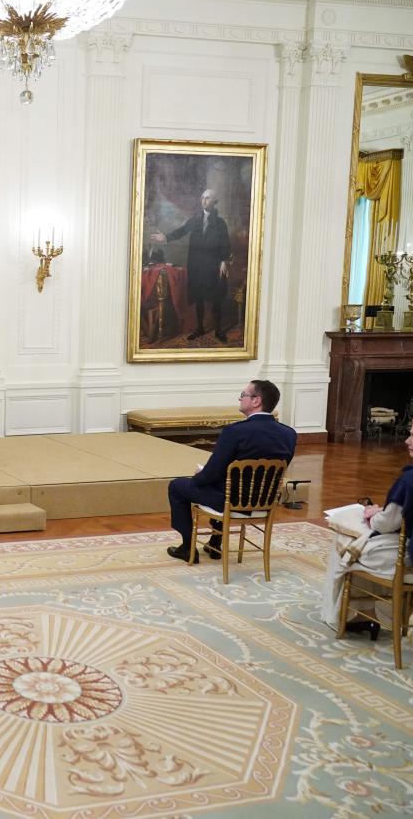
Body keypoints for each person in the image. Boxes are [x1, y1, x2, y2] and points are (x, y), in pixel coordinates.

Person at [321, 411, 413, 633]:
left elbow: (385, 524)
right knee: (363, 542)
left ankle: (346, 617)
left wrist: (374, 513)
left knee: (346, 540)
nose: (407, 441)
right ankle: (380, 613)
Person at [166, 380, 297, 563]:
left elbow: (212, 472)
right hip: (264, 502)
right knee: (224, 482)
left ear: (256, 401)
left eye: (243, 395)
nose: (239, 398)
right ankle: (215, 542)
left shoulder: (235, 432)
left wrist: (197, 477)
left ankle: (187, 548)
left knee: (177, 486)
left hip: (230, 500)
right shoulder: (289, 434)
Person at [150, 188, 231, 342]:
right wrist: (166, 237)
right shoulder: (195, 219)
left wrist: (224, 261)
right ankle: (200, 328)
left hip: (212, 266)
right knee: (198, 297)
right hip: (196, 265)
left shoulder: (220, 223)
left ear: (215, 202)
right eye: (202, 198)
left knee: (216, 299)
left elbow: (225, 244)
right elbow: (182, 231)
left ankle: (219, 330)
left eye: (208, 198)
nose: (204, 201)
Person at [140, 247, 186, 344]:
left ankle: (160, 330)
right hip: (152, 299)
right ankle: (155, 330)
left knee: (163, 297)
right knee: (161, 298)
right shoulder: (148, 268)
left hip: (157, 298)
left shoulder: (155, 267)